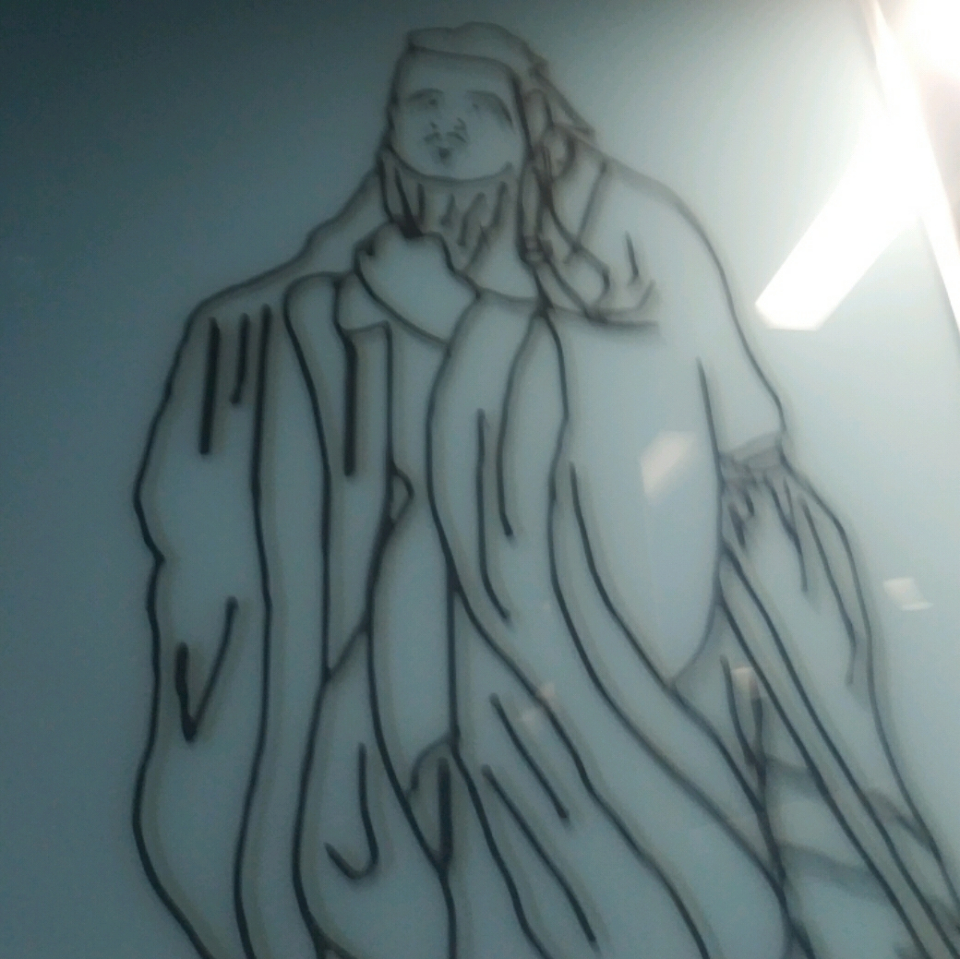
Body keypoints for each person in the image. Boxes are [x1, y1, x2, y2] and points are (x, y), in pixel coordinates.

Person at [132, 22, 960, 959]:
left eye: (475, 108)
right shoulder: (383, 229)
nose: (445, 130)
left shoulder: (628, 225)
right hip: (437, 618)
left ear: (529, 120)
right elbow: (299, 308)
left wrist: (443, 316)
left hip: (617, 603)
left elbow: (654, 407)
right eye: (422, 106)